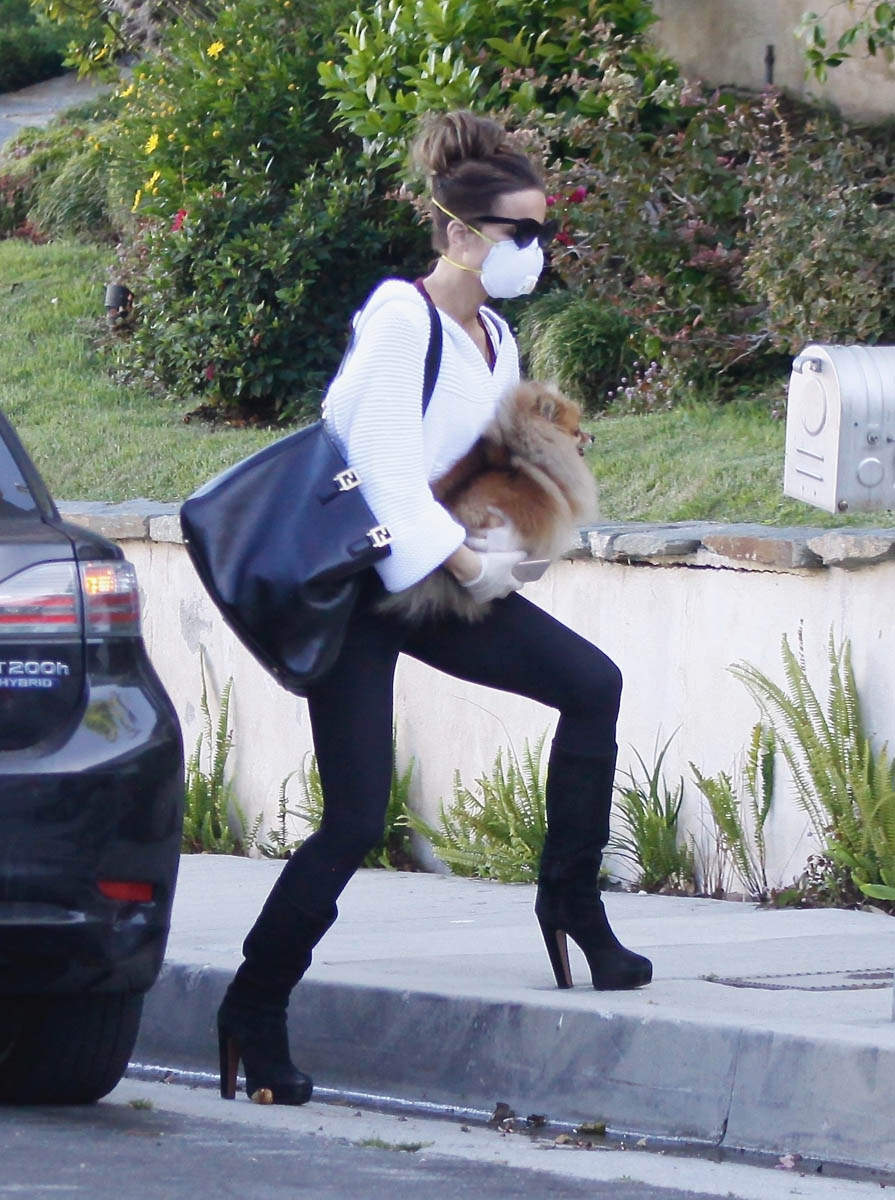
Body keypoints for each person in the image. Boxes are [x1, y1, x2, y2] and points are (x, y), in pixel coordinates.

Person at [217, 109, 652, 1107]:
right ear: (459, 233)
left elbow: (470, 467)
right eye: (518, 232)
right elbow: (377, 472)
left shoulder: (495, 334)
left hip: (437, 583)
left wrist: (516, 526)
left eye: (544, 231)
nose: (536, 249)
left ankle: (571, 905)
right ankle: (254, 1005)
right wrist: (464, 559)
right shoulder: (398, 319)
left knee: (592, 685)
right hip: (361, 594)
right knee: (354, 818)